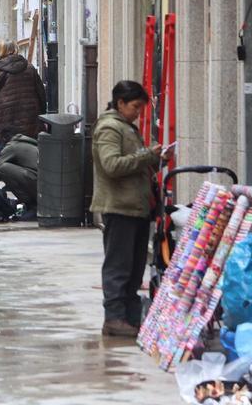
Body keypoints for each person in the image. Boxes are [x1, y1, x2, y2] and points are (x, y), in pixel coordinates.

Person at [91, 81, 171, 338]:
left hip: (135, 208)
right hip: (119, 207)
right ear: (121, 103)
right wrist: (147, 156)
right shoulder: (109, 128)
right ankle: (114, 318)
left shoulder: (126, 128)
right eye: (135, 106)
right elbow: (112, 165)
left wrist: (156, 160)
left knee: (135, 266)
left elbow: (133, 167)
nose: (139, 112)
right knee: (119, 265)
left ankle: (130, 317)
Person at [0, 40, 47, 155]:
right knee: (28, 155)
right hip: (28, 121)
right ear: (16, 49)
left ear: (1, 51)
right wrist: (41, 113)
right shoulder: (30, 68)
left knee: (4, 156)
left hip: (3, 122)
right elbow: (41, 94)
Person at [0, 132, 39, 212]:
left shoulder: (12, 146)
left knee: (3, 168)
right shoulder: (29, 144)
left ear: (4, 139)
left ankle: (30, 204)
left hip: (38, 187)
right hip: (45, 188)